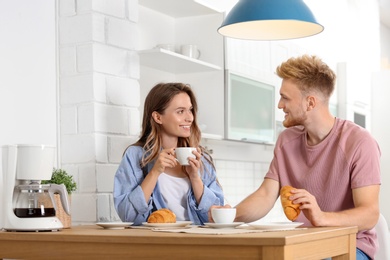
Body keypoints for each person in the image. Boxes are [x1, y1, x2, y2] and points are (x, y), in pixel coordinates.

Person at [210, 55, 381, 260]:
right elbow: (265, 195)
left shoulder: (359, 142)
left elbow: (370, 213)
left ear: (310, 102)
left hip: (352, 246)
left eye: (285, 97)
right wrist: (228, 216)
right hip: (305, 244)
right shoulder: (286, 141)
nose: (280, 105)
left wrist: (321, 217)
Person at [114, 82, 224, 226]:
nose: (190, 118)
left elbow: (218, 215)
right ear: (158, 117)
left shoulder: (201, 158)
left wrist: (195, 177)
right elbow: (127, 215)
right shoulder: (135, 156)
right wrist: (154, 172)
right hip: (157, 243)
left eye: (190, 110)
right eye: (180, 111)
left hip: (197, 242)